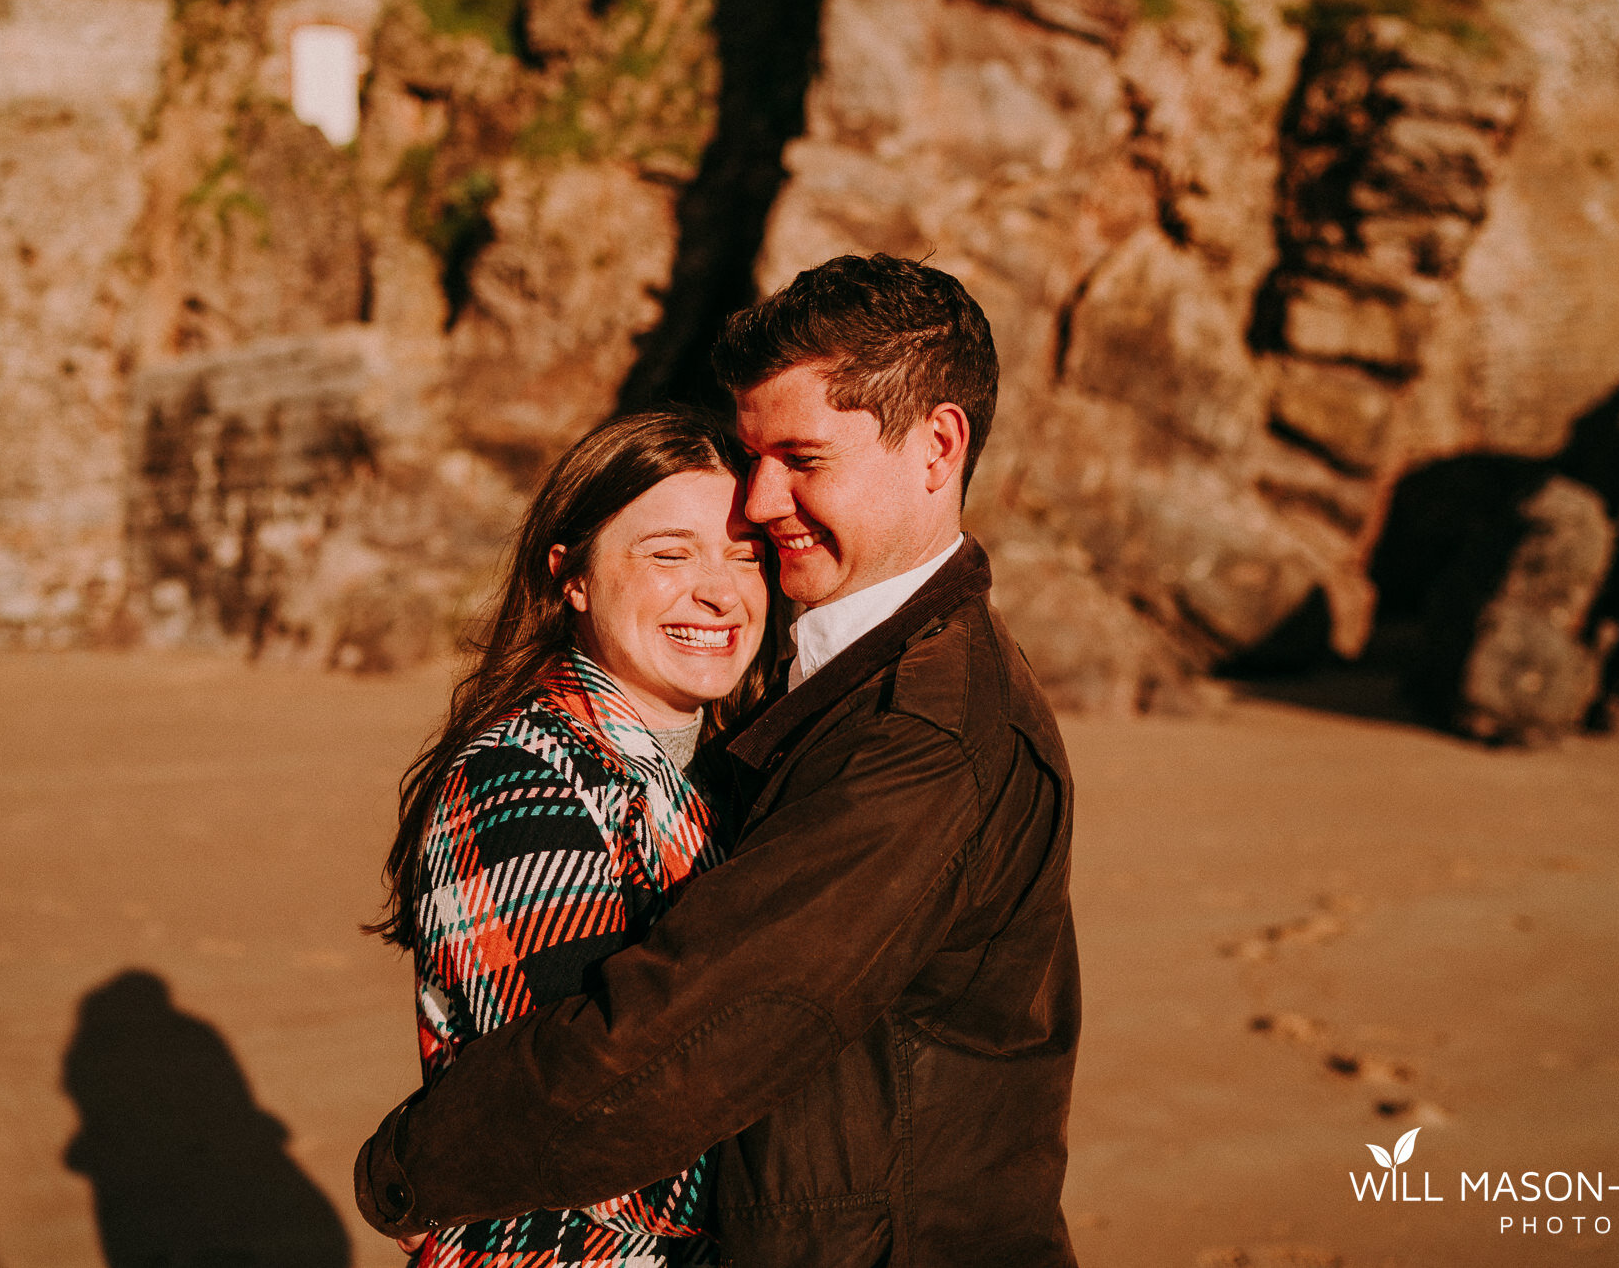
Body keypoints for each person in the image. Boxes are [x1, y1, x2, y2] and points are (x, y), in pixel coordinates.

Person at [357, 255, 1080, 1267]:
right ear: (567, 576)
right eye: (752, 458)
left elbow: (708, 1028)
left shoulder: (918, 726)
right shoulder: (824, 696)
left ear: (935, 447)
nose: (761, 499)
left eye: (801, 457)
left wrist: (406, 1165)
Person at [364, 409, 784, 1266]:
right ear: (572, 575)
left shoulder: (731, 775)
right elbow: (593, 1120)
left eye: (746, 553)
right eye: (670, 552)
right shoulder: (521, 780)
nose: (720, 589)